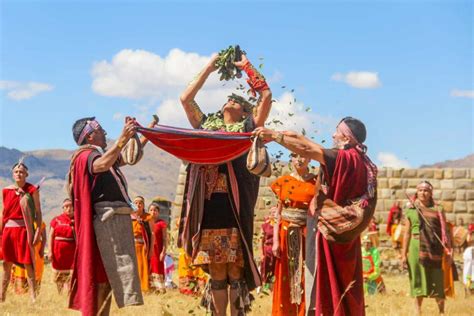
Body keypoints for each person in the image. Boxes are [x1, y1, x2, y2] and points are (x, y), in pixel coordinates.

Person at [254, 116, 378, 316]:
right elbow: (308, 145)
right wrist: (291, 135)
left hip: (331, 232)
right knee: (344, 284)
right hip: (346, 235)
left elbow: (309, 150)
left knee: (326, 283)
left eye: (337, 131)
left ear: (346, 139)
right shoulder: (361, 160)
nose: (332, 134)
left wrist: (275, 136)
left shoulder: (344, 158)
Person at [178, 52, 272, 315]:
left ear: (245, 111)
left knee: (235, 268)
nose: (230, 99)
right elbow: (185, 99)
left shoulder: (246, 128)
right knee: (218, 270)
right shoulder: (206, 125)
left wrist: (248, 68)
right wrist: (210, 67)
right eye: (228, 98)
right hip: (209, 210)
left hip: (235, 207)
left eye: (237, 100)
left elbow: (266, 97)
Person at [67, 116, 155, 315]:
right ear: (90, 136)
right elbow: (100, 166)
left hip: (113, 224)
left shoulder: (102, 155)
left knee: (106, 280)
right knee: (99, 279)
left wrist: (143, 133)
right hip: (104, 225)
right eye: (101, 130)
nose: (106, 133)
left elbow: (126, 157)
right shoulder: (86, 156)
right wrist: (122, 139)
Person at [271, 154, 316, 316]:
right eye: (295, 156)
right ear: (291, 159)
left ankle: (304, 311)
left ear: (310, 159)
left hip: (307, 234)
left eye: (303, 156)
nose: (299, 159)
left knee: (306, 274)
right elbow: (278, 211)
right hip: (285, 234)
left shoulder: (316, 182)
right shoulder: (283, 182)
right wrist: (275, 240)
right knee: (285, 275)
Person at [401, 181, 452, 315]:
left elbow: (444, 232)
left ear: (431, 193)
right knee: (419, 281)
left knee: (437, 281)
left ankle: (441, 312)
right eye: (420, 190)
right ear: (416, 192)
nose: (423, 193)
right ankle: (418, 312)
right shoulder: (411, 209)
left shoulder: (438, 209)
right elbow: (407, 234)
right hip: (416, 250)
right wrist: (403, 254)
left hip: (435, 250)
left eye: (426, 190)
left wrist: (449, 251)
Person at [0, 161, 42, 303]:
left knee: (28, 264)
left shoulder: (32, 190)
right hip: (8, 231)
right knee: (7, 264)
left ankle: (33, 297)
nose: (19, 173)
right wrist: (0, 232)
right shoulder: (6, 190)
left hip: (25, 231)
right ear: (13, 174)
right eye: (16, 171)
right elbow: (4, 212)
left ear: (26, 174)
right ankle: (2, 296)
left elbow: (38, 212)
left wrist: (37, 232)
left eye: (22, 171)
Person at [11, 221, 46, 295]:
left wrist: (42, 250)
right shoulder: (21, 222)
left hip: (34, 251)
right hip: (23, 250)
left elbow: (44, 238)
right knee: (22, 272)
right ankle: (25, 296)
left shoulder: (39, 222)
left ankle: (32, 295)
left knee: (34, 272)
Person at [49, 198, 76, 294]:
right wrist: (50, 251)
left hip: (72, 253)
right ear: (63, 208)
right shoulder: (56, 220)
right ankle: (59, 294)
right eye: (66, 206)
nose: (69, 208)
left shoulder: (77, 220)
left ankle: (70, 295)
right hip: (58, 253)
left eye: (71, 206)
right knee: (59, 276)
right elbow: (51, 235)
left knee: (71, 276)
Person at [131, 196, 154, 293]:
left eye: (140, 203)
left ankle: (143, 288)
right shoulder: (129, 217)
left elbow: (152, 233)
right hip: (131, 246)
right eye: (136, 203)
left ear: (143, 205)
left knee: (142, 267)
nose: (138, 205)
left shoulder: (148, 217)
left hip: (143, 246)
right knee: (132, 268)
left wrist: (151, 249)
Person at [148, 200, 169, 293]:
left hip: (158, 251)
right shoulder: (147, 223)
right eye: (151, 210)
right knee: (150, 268)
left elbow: (165, 239)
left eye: (155, 210)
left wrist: (163, 251)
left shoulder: (162, 223)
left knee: (157, 268)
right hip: (149, 250)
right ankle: (151, 289)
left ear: (158, 212)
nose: (153, 212)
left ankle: (160, 289)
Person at [259, 207, 276, 293]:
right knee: (265, 269)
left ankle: (274, 288)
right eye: (272, 212)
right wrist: (261, 253)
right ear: (269, 214)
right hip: (267, 250)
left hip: (276, 252)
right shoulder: (265, 226)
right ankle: (265, 286)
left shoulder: (279, 225)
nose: (274, 214)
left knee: (275, 269)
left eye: (275, 212)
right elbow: (260, 240)